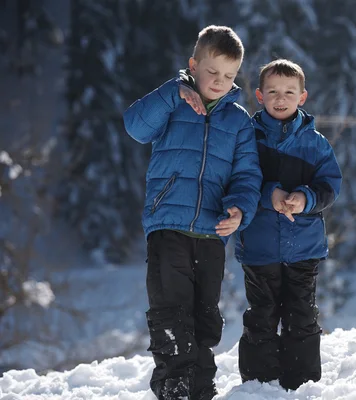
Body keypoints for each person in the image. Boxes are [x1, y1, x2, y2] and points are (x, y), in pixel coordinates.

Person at [123, 25, 262, 400]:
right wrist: (173, 92)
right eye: (211, 72)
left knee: (204, 318)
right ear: (194, 65)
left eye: (229, 76)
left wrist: (240, 209)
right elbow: (135, 126)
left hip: (211, 233)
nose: (219, 81)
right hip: (168, 226)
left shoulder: (238, 121)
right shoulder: (173, 100)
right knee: (171, 312)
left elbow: (247, 175)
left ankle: (201, 388)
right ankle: (174, 388)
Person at [235, 59, 342, 390]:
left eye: (289, 92)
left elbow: (330, 188)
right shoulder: (247, 139)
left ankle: (302, 382)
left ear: (302, 97)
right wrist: (271, 195)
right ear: (259, 95)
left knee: (301, 314)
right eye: (273, 91)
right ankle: (259, 383)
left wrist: (306, 198)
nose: (280, 98)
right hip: (259, 246)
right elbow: (237, 183)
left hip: (303, 246)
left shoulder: (315, 144)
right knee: (262, 313)